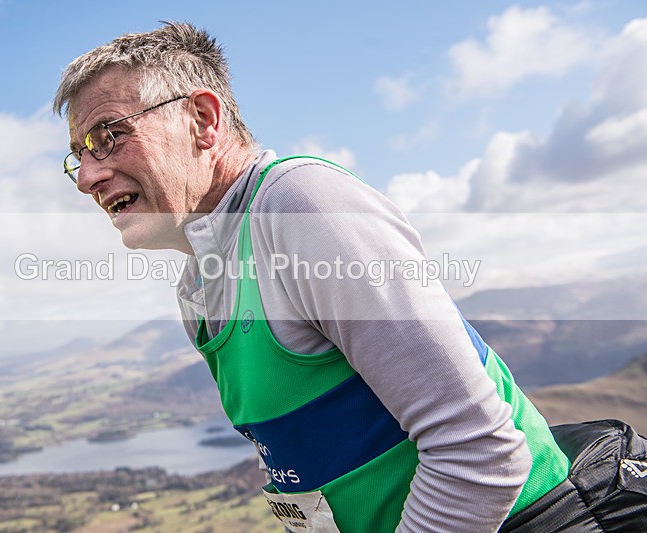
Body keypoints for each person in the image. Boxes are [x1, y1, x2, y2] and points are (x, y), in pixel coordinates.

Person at [53, 22, 646, 532]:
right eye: (79, 154)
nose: (87, 177)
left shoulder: (299, 206)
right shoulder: (202, 281)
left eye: (109, 135)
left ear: (202, 120)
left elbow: (480, 451)